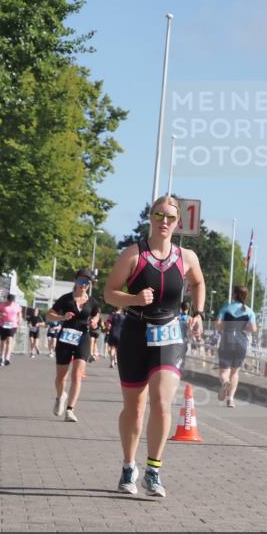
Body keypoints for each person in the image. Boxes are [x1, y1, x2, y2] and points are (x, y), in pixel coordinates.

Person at [104, 196, 205, 498]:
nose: (164, 221)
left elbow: (198, 283)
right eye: (159, 215)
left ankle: (153, 469)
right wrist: (133, 299)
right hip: (135, 331)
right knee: (134, 409)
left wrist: (198, 314)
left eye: (170, 217)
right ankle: (127, 465)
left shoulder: (186, 257)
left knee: (162, 402)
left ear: (178, 223)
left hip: (169, 333)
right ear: (150, 217)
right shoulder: (133, 255)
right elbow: (109, 293)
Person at [46, 270, 100, 422]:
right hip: (65, 338)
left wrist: (95, 321)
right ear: (75, 281)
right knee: (61, 377)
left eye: (87, 283)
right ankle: (60, 396)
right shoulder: (66, 299)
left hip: (83, 338)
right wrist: (62, 317)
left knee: (77, 375)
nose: (84, 285)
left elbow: (96, 313)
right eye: (82, 281)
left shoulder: (92, 302)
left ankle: (70, 410)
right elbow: (49, 315)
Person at [215, 286, 258, 407]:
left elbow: (218, 324)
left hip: (227, 340)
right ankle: (231, 399)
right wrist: (244, 328)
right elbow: (253, 328)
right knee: (235, 373)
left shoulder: (226, 307)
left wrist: (226, 327)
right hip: (241, 342)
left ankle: (225, 382)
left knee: (224, 371)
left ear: (234, 294)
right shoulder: (249, 311)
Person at [0, 293, 22, 366]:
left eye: (12, 301)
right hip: (2, 324)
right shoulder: (2, 305)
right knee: (3, 341)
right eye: (9, 301)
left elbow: (19, 314)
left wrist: (19, 320)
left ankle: (7, 358)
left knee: (10, 340)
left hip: (12, 325)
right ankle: (1, 357)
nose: (10, 302)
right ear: (7, 300)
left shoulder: (17, 306)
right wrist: (1, 314)